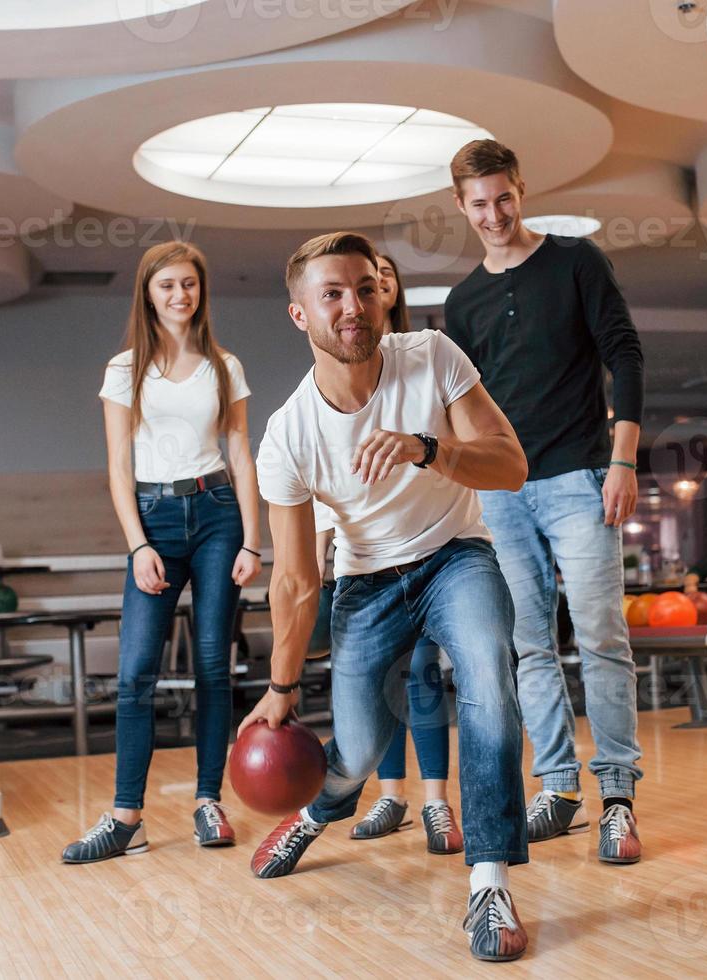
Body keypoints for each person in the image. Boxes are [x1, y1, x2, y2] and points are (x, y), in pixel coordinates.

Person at [242, 231, 531, 963]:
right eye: (332, 293)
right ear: (299, 314)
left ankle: (490, 881)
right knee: (361, 748)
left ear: (386, 294)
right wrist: (280, 687)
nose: (353, 306)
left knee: (489, 682)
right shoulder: (287, 436)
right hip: (366, 582)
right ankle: (318, 812)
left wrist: (427, 447)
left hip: (456, 556)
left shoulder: (432, 357)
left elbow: (511, 466)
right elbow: (297, 579)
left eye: (366, 288)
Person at [443, 139, 644, 865]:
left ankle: (617, 797)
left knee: (599, 634)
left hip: (580, 478)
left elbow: (624, 353)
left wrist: (623, 458)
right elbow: (463, 407)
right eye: (479, 204)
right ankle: (556, 788)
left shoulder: (576, 261)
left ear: (521, 191)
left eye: (503, 198)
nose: (494, 215)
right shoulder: (461, 304)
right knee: (528, 645)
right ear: (460, 208)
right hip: (501, 492)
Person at [63, 241, 261, 864]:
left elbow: (240, 452)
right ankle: (127, 818)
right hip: (153, 518)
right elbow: (118, 465)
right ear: (147, 293)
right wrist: (138, 544)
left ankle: (208, 800)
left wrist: (254, 538)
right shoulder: (125, 370)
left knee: (211, 665)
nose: (180, 296)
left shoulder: (225, 366)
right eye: (167, 285)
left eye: (190, 285)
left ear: (202, 292)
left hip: (217, 516)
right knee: (135, 674)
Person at [345, 253, 461, 855]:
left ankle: (437, 801)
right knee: (383, 677)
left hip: (432, 544)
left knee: (418, 672)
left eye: (381, 281)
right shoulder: (340, 372)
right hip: (370, 553)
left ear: (390, 293)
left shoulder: (427, 361)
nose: (372, 291)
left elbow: (461, 448)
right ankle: (392, 796)